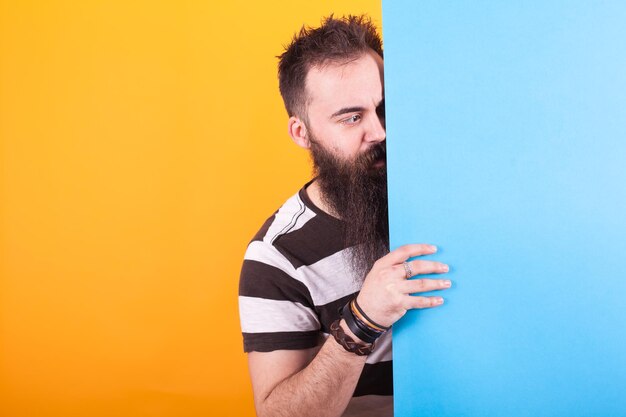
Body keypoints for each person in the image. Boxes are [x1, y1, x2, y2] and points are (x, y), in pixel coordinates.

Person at [238, 14, 451, 417]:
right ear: (302, 133)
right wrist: (362, 320)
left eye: (384, 109)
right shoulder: (277, 259)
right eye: (352, 117)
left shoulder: (447, 197)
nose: (380, 132)